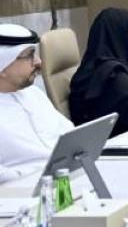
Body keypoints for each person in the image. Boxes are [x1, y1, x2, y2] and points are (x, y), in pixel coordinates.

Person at [0, 24, 74, 183]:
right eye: (29, 55)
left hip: (65, 176)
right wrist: (35, 177)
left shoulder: (34, 94)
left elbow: (68, 133)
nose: (39, 62)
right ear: (3, 64)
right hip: (23, 189)